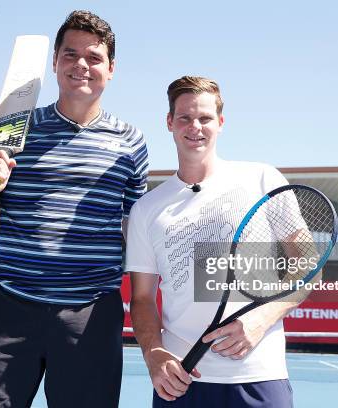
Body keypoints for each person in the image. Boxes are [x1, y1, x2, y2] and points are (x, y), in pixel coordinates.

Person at [0, 10, 148, 408]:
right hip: (9, 309)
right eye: (70, 54)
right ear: (55, 62)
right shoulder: (11, 131)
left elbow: (136, 233)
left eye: (94, 58)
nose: (81, 65)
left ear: (111, 69)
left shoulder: (132, 142)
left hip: (90, 316)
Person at [127, 76, 297, 407]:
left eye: (205, 118)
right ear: (169, 123)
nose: (195, 127)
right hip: (180, 382)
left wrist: (260, 320)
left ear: (220, 122)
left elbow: (308, 269)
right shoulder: (146, 208)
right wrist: (153, 353)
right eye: (185, 118)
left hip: (258, 376)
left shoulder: (263, 179)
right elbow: (143, 298)